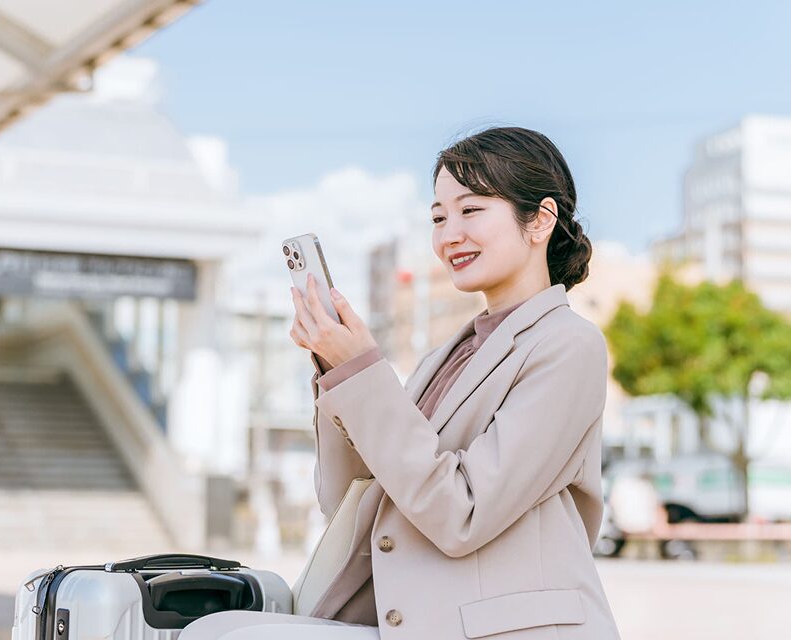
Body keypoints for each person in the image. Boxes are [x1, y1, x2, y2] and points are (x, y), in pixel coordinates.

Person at [181, 126, 622, 639]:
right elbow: (351, 498)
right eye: (438, 217)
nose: (449, 234)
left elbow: (463, 510)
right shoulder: (446, 356)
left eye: (471, 210)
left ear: (541, 219)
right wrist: (339, 371)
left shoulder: (568, 344)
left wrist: (365, 374)